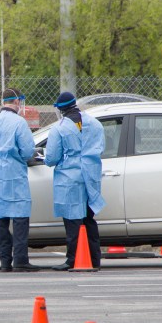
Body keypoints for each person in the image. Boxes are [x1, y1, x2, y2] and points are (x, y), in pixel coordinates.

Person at [0, 88, 39, 272]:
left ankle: (5, 262)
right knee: (20, 218)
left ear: (2, 101)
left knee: (0, 219)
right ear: (18, 102)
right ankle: (20, 260)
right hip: (13, 173)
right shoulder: (19, 123)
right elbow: (28, 151)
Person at [45, 92, 106, 270]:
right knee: (89, 219)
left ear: (61, 109)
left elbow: (51, 157)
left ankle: (73, 259)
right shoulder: (95, 124)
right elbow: (100, 148)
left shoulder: (59, 128)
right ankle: (94, 259)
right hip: (90, 175)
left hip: (70, 178)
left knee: (73, 221)